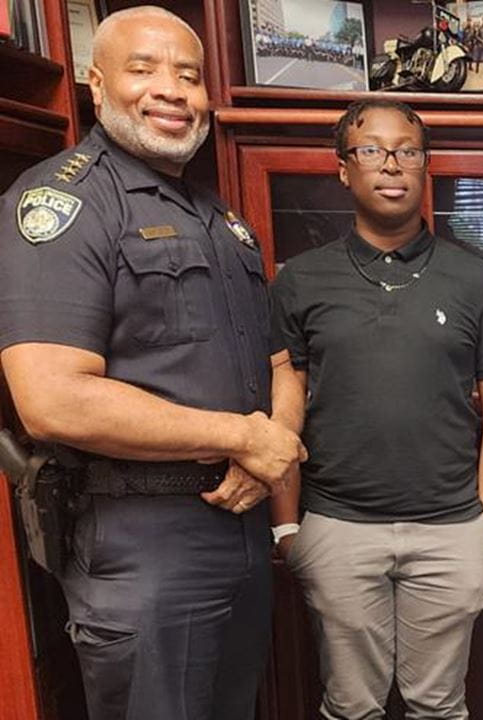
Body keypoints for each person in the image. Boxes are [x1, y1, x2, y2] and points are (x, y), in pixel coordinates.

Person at [0, 6, 306, 719]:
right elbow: (52, 398)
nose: (171, 89)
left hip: (238, 523)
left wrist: (271, 450)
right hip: (142, 545)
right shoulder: (66, 204)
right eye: (143, 69)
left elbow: (280, 362)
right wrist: (242, 437)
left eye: (189, 75)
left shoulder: (220, 219)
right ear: (97, 84)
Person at [268, 99, 483, 719]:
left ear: (425, 166)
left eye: (408, 151)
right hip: (337, 525)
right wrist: (286, 527)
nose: (391, 165)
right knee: (350, 706)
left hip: (450, 530)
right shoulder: (300, 280)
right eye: (371, 150)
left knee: (438, 705)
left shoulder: (477, 282)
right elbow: (283, 408)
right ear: (343, 168)